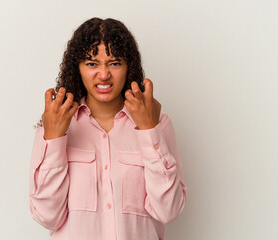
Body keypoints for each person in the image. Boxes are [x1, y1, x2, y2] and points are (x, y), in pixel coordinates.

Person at [29, 17, 187, 240]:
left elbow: (168, 211)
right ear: (78, 68)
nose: (103, 75)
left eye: (114, 63)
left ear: (128, 66)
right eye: (92, 64)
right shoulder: (55, 123)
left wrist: (149, 130)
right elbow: (47, 216)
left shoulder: (157, 123)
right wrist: (55, 139)